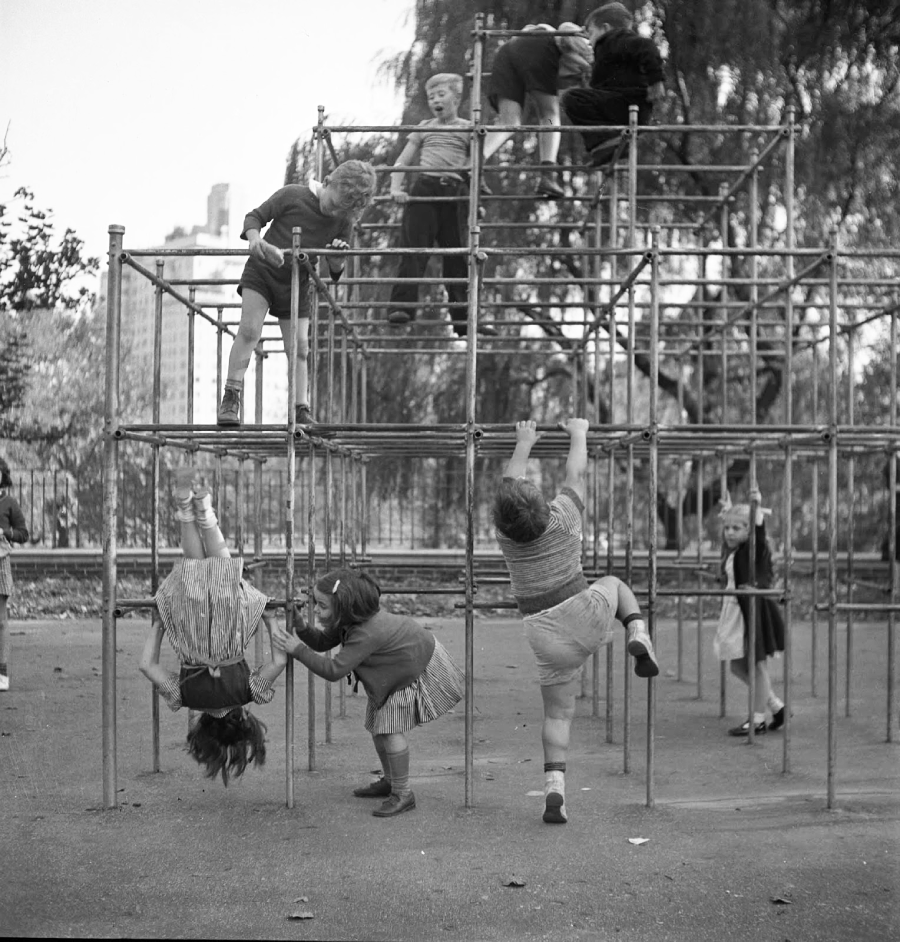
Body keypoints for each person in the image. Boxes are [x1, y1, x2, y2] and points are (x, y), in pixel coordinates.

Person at [493, 418, 659, 824]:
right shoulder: (564, 518)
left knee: (557, 716)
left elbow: (508, 486)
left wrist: (523, 442)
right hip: (585, 614)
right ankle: (636, 630)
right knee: (616, 583)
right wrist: (579, 433)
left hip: (544, 633)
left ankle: (555, 788)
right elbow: (576, 473)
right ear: (543, 504)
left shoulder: (506, 539)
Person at [271, 568, 464, 817]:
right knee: (378, 728)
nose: (315, 610)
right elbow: (322, 643)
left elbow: (333, 670)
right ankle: (391, 781)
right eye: (314, 604)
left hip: (410, 671)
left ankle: (403, 793)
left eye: (321, 606)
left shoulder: (366, 633)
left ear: (346, 608)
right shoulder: (350, 621)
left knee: (389, 729)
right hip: (394, 670)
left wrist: (298, 650)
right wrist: (300, 625)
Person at [139, 469, 288, 784]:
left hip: (229, 620)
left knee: (221, 566)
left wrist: (271, 620)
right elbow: (146, 665)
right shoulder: (184, 699)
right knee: (193, 565)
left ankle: (205, 512)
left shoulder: (251, 693)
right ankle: (185, 510)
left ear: (244, 720)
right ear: (203, 727)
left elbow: (280, 660)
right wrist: (158, 625)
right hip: (191, 621)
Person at [217, 159, 377, 428]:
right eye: (334, 203)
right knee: (249, 331)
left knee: (300, 348)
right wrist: (256, 240)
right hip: (263, 272)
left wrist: (337, 256)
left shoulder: (343, 220)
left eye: (341, 210)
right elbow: (254, 217)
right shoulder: (293, 195)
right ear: (326, 182)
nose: (333, 211)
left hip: (298, 282)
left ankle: (300, 408)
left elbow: (336, 271)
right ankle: (231, 396)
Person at [388, 73, 492, 337]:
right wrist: (395, 187)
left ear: (457, 98)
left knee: (457, 256)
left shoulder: (469, 128)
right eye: (431, 96)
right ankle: (401, 308)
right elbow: (402, 160)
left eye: (441, 94)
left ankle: (462, 318)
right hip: (425, 189)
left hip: (454, 193)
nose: (435, 100)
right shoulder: (425, 127)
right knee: (413, 250)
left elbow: (476, 169)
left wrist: (476, 202)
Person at [483, 23, 594, 199]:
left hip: (507, 52)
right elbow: (566, 31)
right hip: (539, 46)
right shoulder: (588, 48)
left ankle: (472, 166)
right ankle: (548, 176)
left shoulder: (538, 38)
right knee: (549, 115)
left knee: (508, 123)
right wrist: (588, 66)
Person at [713, 486, 786, 736]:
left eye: (737, 528)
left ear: (748, 530)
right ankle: (775, 706)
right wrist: (728, 513)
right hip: (735, 610)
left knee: (756, 666)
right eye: (727, 528)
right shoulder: (734, 552)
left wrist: (756, 511)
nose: (730, 532)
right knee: (737, 666)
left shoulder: (753, 549)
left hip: (751, 611)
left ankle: (757, 720)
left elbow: (758, 536)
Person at [561, 3, 665, 168]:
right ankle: (606, 147)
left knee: (572, 98)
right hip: (627, 108)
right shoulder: (609, 49)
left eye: (591, 34)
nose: (589, 41)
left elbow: (647, 47)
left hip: (627, 104)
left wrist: (656, 80)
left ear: (605, 28)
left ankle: (605, 143)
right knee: (583, 97)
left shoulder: (615, 40)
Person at [0, 458, 29, 693]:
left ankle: (2, 672)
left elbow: (23, 534)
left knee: (0, 622)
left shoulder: (9, 502)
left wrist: (5, 532)